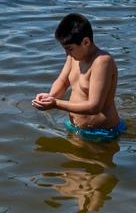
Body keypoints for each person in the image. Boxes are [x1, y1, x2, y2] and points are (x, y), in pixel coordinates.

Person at [33, 13, 123, 142]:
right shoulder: (73, 57)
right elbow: (63, 81)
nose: (67, 54)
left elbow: (94, 107)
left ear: (86, 42)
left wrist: (56, 104)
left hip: (103, 133)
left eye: (70, 49)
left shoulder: (102, 62)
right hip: (75, 127)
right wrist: (51, 97)